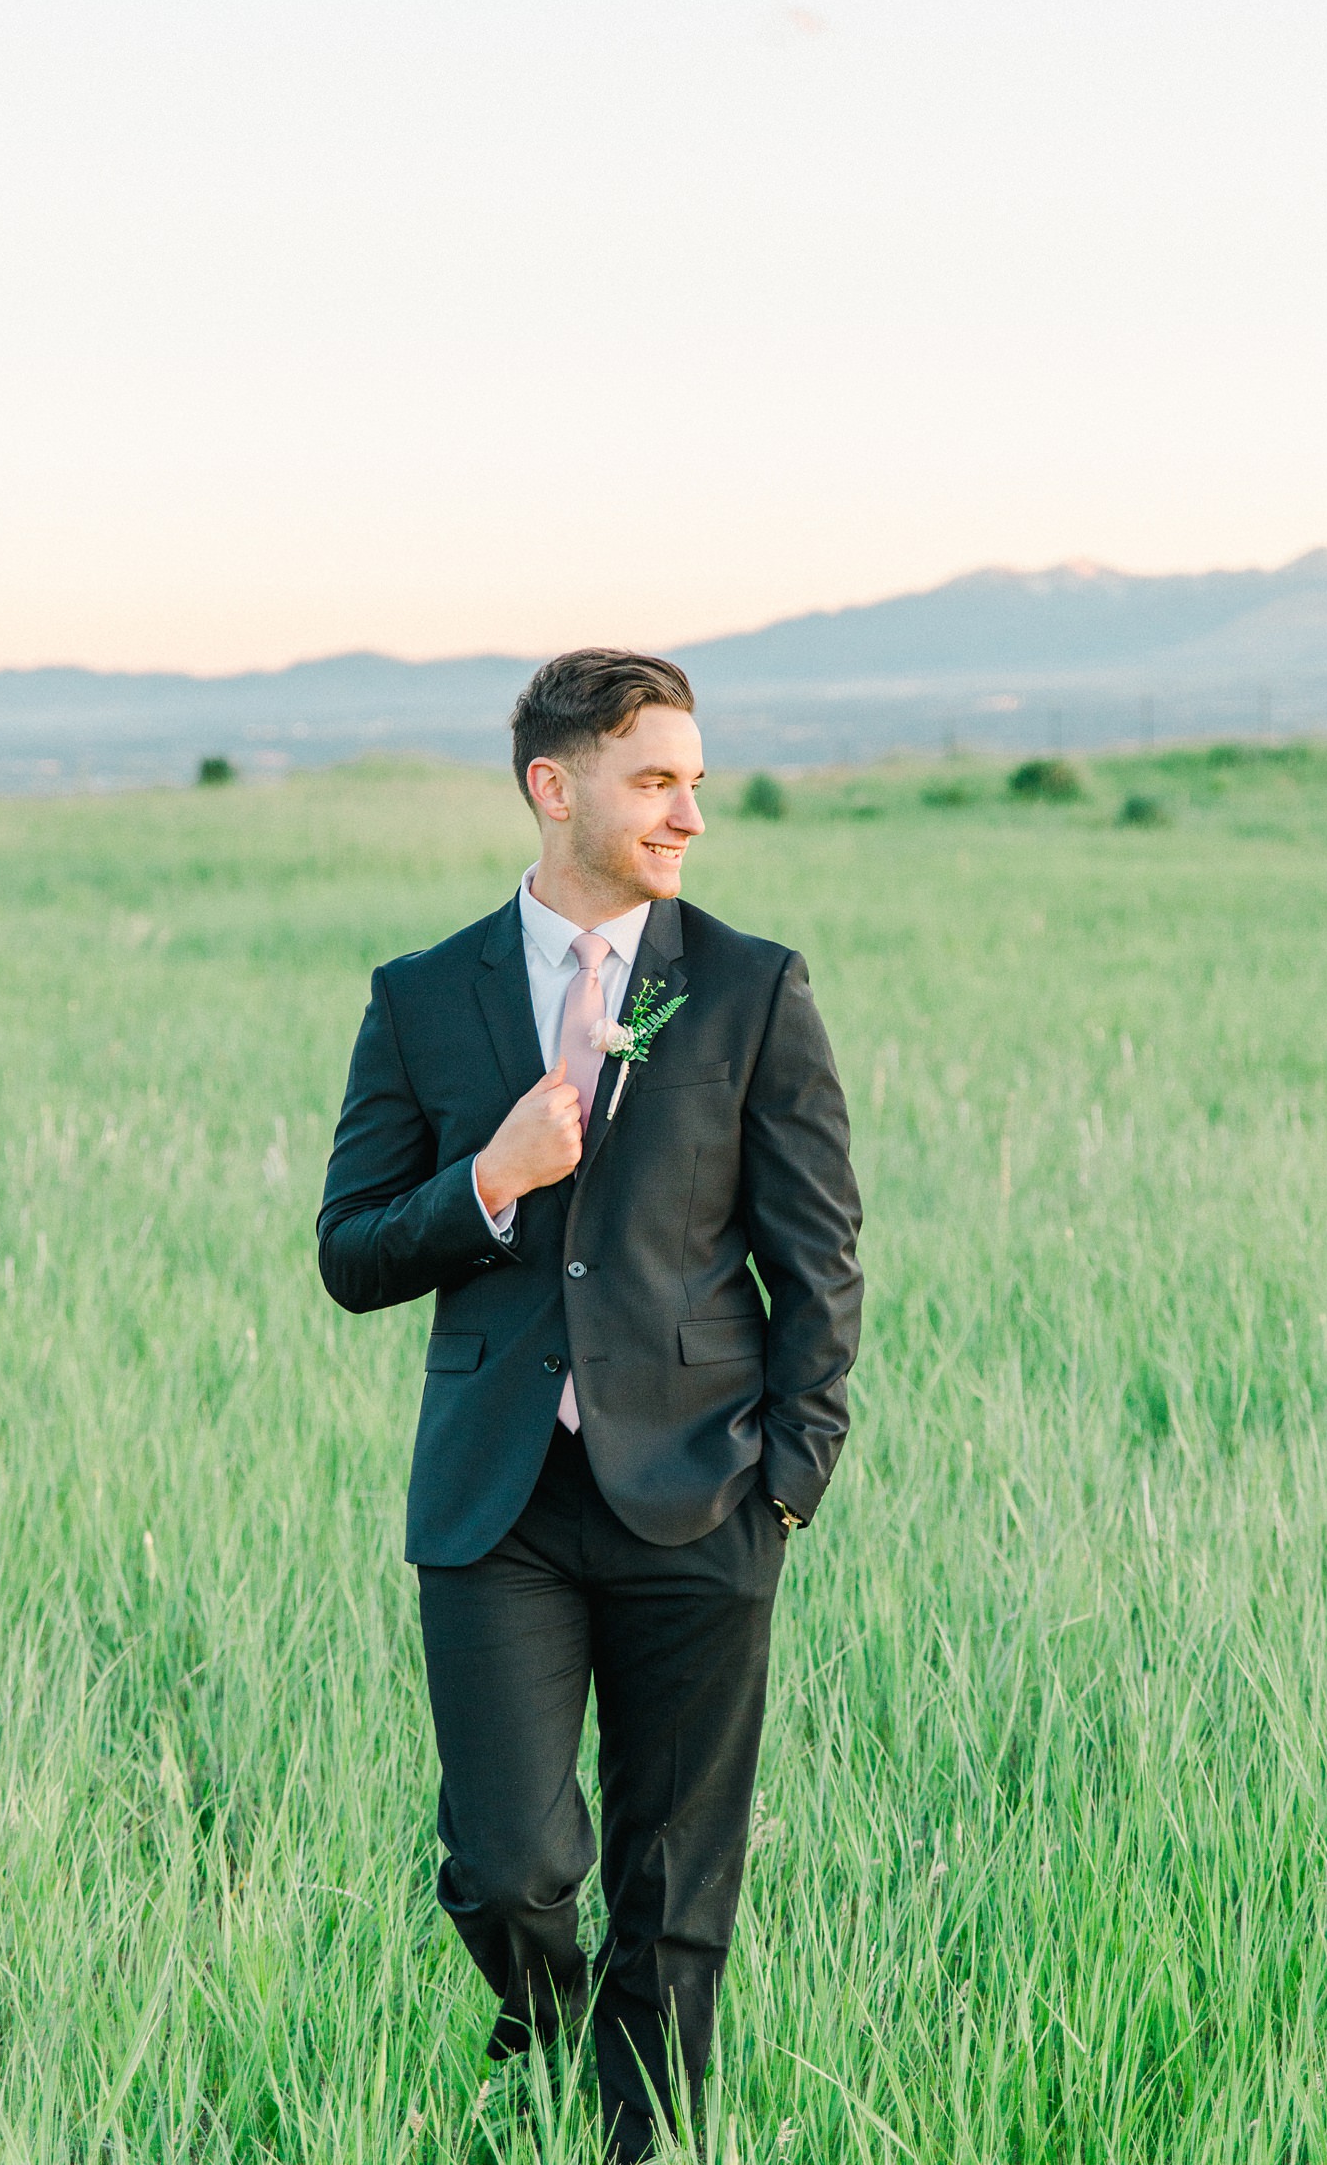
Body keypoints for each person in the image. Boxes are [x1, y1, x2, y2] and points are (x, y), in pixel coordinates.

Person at [317, 649, 862, 2161]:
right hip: (497, 1506)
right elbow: (351, 1252)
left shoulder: (749, 986)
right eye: (657, 780)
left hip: (707, 1492)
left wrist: (793, 1481)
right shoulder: (425, 997)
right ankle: (551, 2033)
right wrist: (486, 1181)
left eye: (696, 777)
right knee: (507, 1869)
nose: (692, 811)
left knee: (677, 1888)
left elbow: (821, 1255)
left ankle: (642, 2141)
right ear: (557, 790)